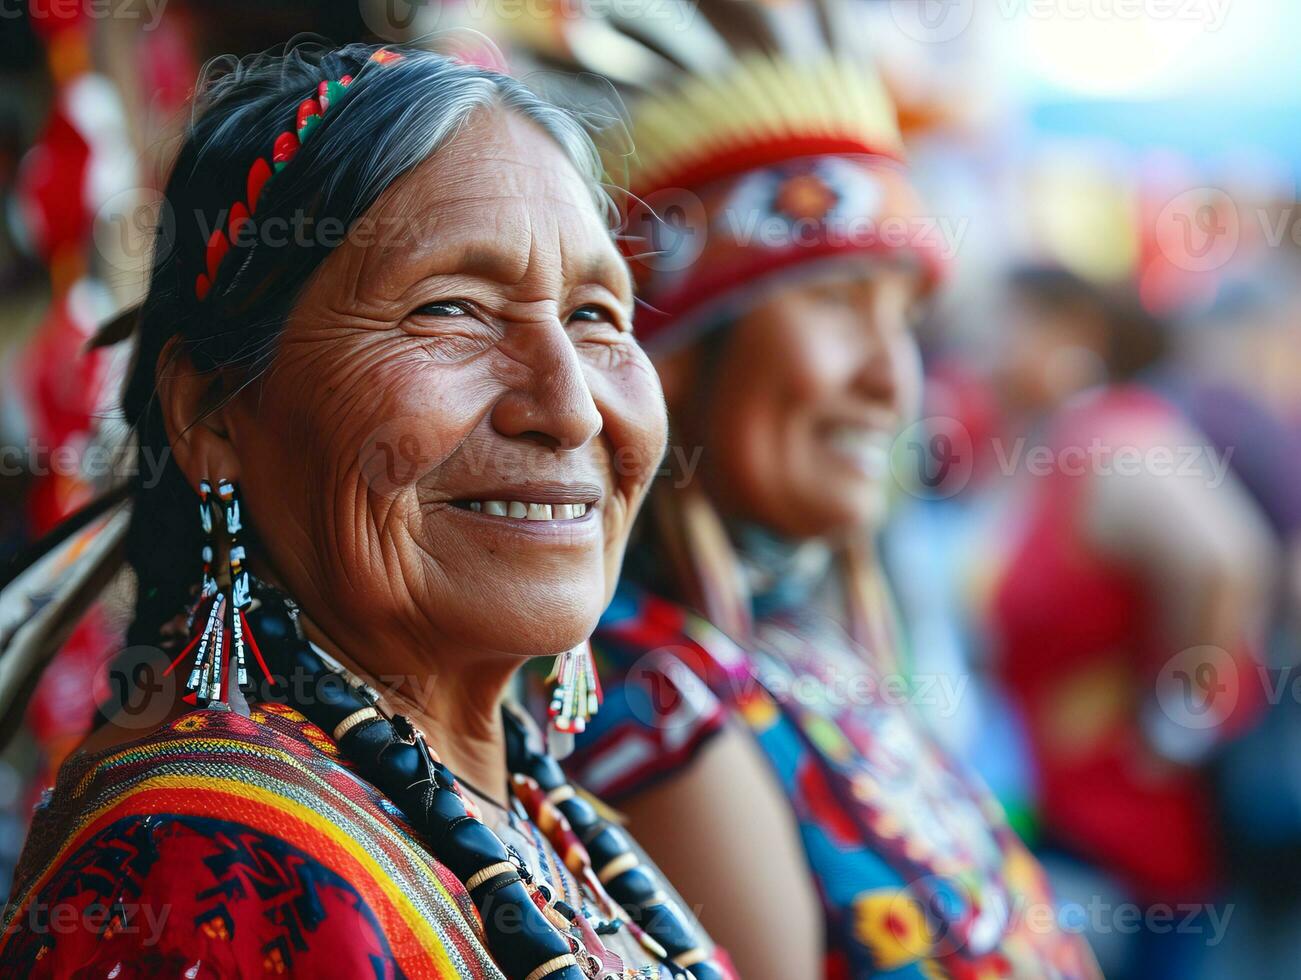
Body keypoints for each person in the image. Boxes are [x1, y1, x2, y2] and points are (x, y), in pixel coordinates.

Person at [0, 42, 733, 980]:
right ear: (214, 413)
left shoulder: (534, 824)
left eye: (596, 316)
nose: (570, 407)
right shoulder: (209, 876)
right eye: (451, 309)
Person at [502, 4, 1103, 977]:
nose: (890, 379)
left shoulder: (794, 648)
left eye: (903, 316)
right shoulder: (643, 699)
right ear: (669, 355)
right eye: (832, 301)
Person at [987, 267, 1274, 979]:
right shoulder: (1048, 439)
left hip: (1131, 845)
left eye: (1007, 327)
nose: (989, 349)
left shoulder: (1111, 435)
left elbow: (1229, 559)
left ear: (1073, 335)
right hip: (1067, 821)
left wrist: (1176, 719)